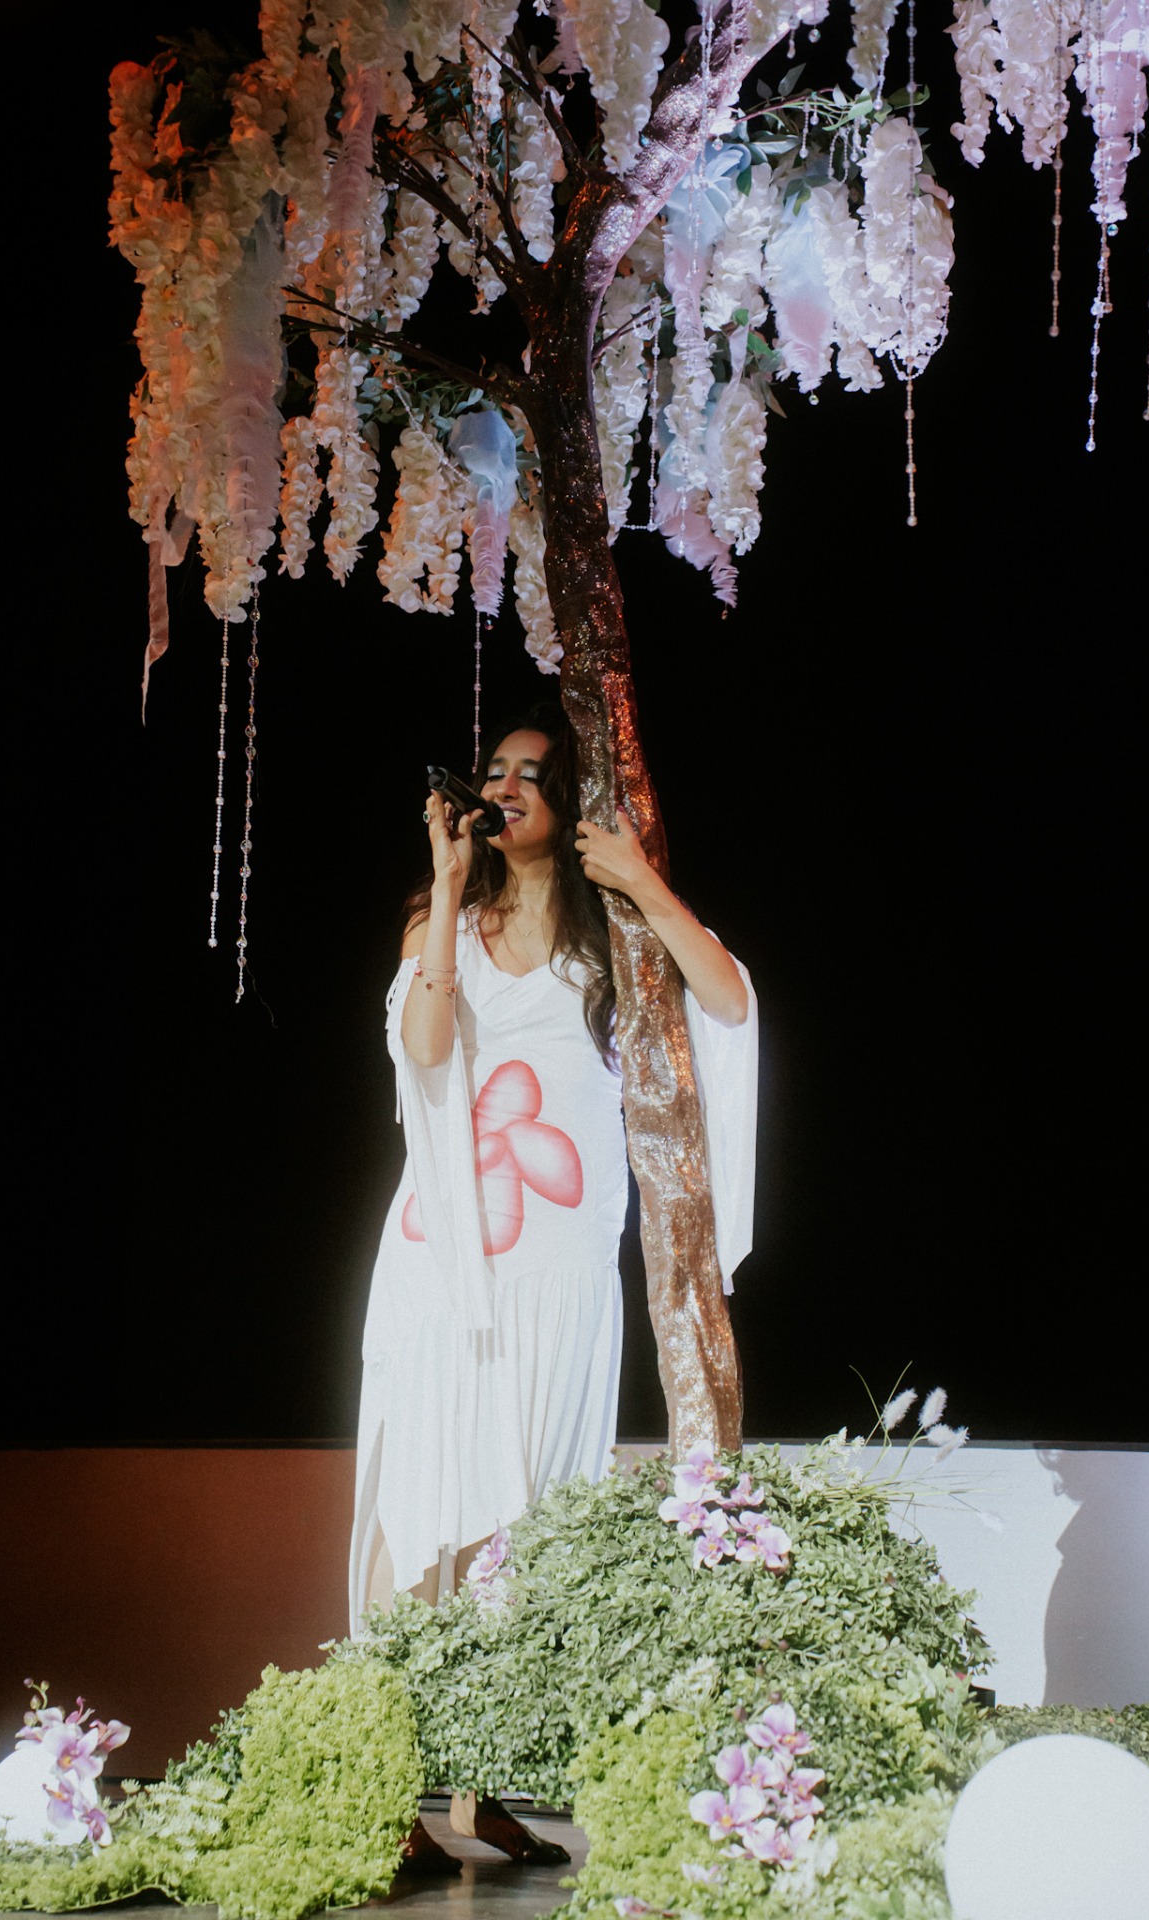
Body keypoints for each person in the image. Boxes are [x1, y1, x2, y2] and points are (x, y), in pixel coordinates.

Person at [348, 703, 756, 1866]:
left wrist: (639, 879)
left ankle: (478, 1787)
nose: (506, 786)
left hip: (564, 1265)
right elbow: (424, 1049)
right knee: (420, 1502)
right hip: (447, 1258)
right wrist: (444, 885)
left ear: (573, 800)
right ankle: (380, 1790)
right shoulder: (446, 919)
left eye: (533, 772)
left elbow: (727, 1001)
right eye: (496, 771)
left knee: (523, 1523)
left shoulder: (611, 934)